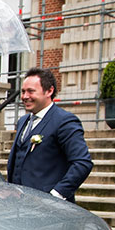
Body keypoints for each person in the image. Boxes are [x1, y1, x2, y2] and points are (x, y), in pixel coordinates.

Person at [6, 67, 93, 202]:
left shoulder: (64, 121)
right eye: (23, 92)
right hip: (18, 204)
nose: (25, 96)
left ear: (49, 91)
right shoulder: (23, 121)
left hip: (47, 208)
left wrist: (56, 196)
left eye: (31, 91)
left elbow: (82, 163)